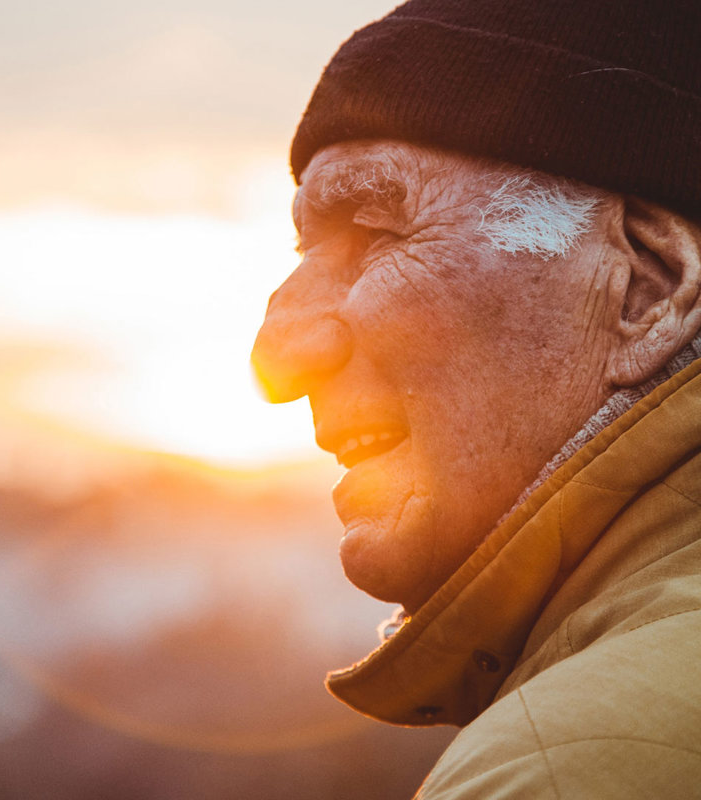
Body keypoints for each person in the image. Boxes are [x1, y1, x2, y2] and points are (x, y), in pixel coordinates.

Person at [251, 1, 701, 797]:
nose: (279, 355)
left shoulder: (566, 768)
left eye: (376, 231)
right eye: (303, 253)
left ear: (647, 290)